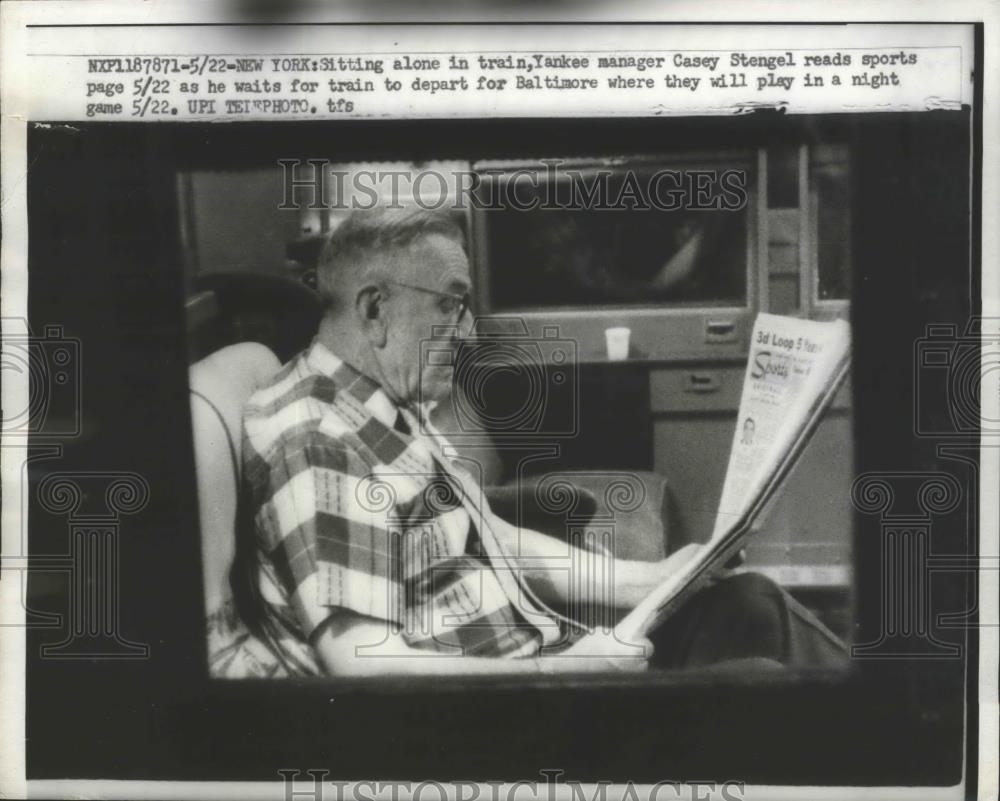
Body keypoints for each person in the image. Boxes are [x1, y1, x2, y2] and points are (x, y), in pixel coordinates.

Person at [229, 206, 846, 678]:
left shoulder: (383, 404)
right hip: (513, 714)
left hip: (542, 659)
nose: (468, 334)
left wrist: (654, 576)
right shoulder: (317, 438)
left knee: (750, 603)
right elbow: (363, 661)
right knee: (765, 683)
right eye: (451, 305)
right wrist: (563, 672)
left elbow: (496, 542)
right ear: (374, 310)